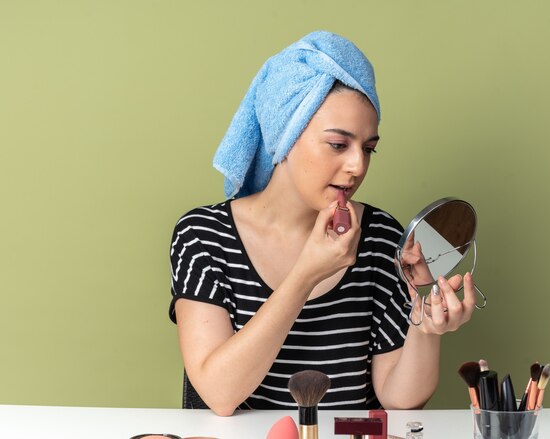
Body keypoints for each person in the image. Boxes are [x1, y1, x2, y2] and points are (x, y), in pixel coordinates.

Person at [168, 31, 476, 416]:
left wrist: (425, 329)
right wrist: (305, 276)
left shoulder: (379, 237)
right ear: (285, 135)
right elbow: (219, 394)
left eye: (368, 148)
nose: (357, 166)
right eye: (337, 144)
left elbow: (400, 399)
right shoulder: (203, 235)